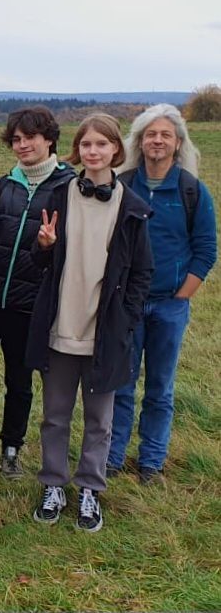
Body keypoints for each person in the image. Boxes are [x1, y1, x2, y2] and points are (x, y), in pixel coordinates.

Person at [27, 113, 153, 533]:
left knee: (100, 420)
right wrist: (43, 246)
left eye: (101, 144)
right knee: (55, 416)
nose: (93, 151)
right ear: (77, 150)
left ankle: (89, 490)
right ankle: (53, 484)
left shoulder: (132, 208)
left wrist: (126, 318)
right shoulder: (60, 196)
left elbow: (141, 274)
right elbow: (38, 258)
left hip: (105, 335)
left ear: (116, 149)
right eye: (86, 144)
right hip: (60, 328)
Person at [0, 107, 75, 478]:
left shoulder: (67, 187)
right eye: (16, 139)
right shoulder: (7, 184)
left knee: (19, 381)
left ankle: (11, 448)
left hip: (32, 302)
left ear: (49, 139)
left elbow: (69, 248)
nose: (22, 145)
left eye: (30, 137)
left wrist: (47, 245)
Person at [107, 104, 216, 484]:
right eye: (150, 134)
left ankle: (151, 461)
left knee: (160, 387)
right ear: (139, 141)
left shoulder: (191, 191)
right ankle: (113, 456)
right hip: (127, 304)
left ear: (177, 143)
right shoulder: (122, 185)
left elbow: (206, 249)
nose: (157, 140)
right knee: (121, 383)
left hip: (169, 306)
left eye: (165, 135)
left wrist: (181, 296)